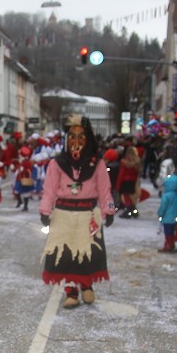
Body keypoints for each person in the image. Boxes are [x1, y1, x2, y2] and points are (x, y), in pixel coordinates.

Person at [39, 118, 116, 309]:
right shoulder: (57, 164)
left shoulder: (96, 164)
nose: (76, 141)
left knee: (87, 252)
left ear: (88, 139)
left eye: (81, 137)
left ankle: (87, 285)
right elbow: (49, 190)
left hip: (87, 213)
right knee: (66, 254)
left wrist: (108, 209)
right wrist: (45, 210)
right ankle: (71, 291)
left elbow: (105, 189)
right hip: (64, 214)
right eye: (72, 137)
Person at [157, 173, 177, 253]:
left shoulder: (166, 196)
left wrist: (160, 213)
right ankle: (171, 244)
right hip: (174, 218)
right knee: (172, 232)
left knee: (167, 232)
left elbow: (163, 206)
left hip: (167, 218)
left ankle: (167, 245)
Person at [116, 146, 142, 218]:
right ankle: (133, 210)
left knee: (126, 196)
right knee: (131, 197)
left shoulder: (124, 162)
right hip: (133, 181)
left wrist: (118, 185)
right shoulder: (137, 162)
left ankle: (128, 210)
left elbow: (121, 173)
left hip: (125, 181)